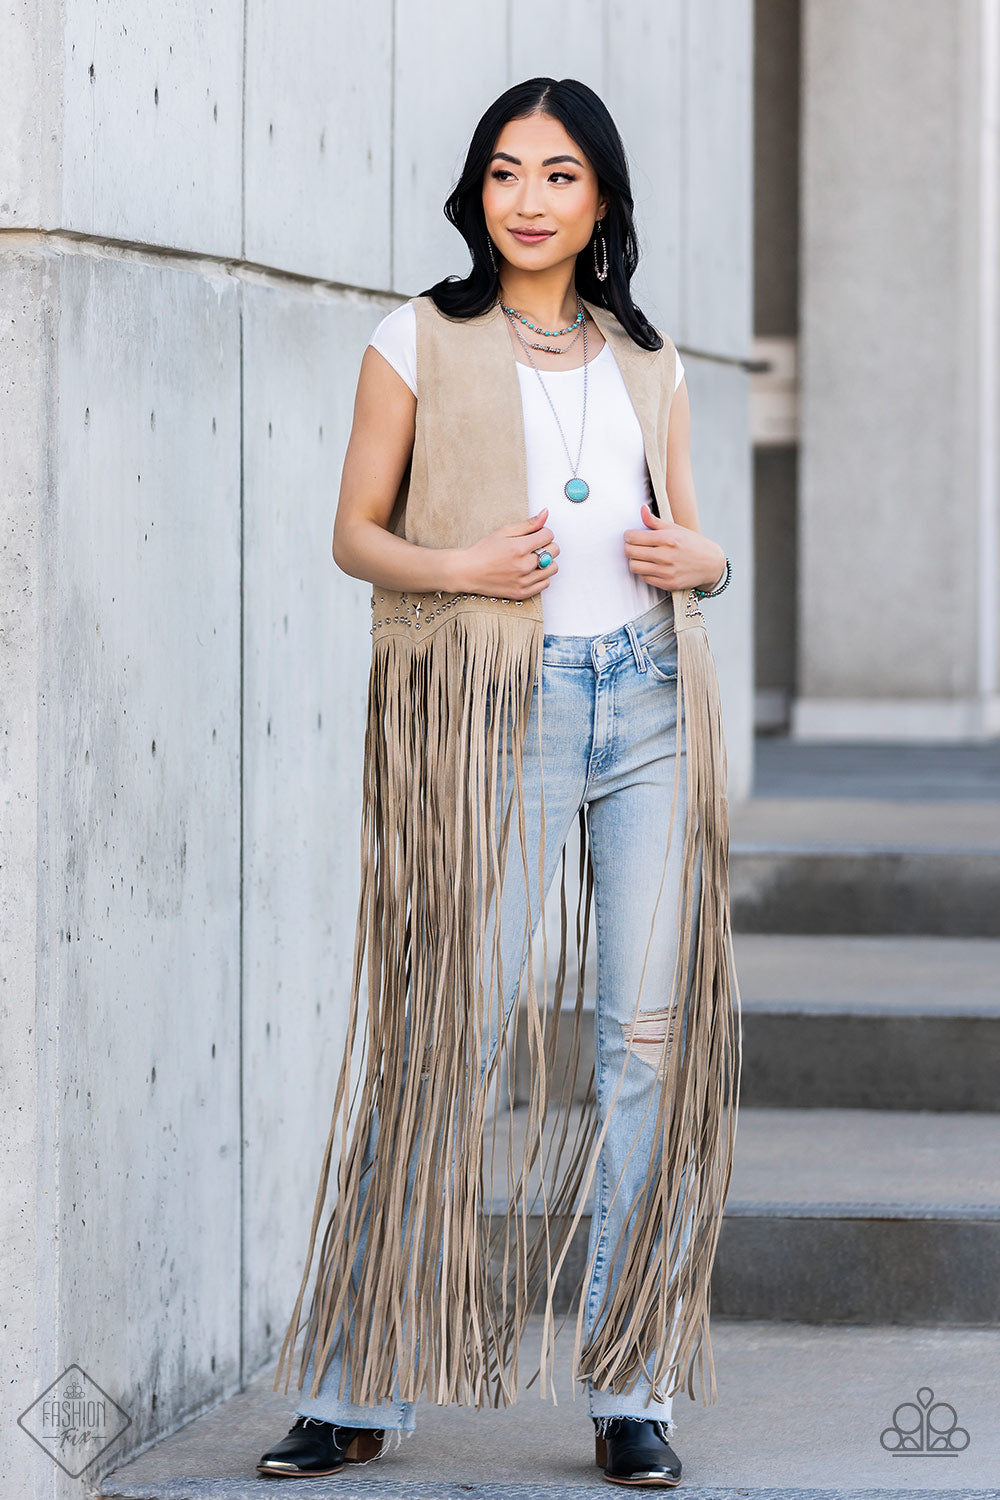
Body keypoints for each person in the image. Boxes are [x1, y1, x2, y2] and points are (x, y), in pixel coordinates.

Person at [258, 77, 740, 1490]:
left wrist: (702, 565)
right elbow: (355, 533)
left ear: (603, 203)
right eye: (506, 172)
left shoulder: (648, 358)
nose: (528, 197)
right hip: (498, 713)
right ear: (477, 193)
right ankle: (360, 1387)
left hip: (647, 704)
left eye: (561, 174)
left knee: (646, 1050)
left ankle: (631, 1384)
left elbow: (695, 540)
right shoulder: (414, 337)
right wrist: (462, 566)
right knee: (446, 1038)